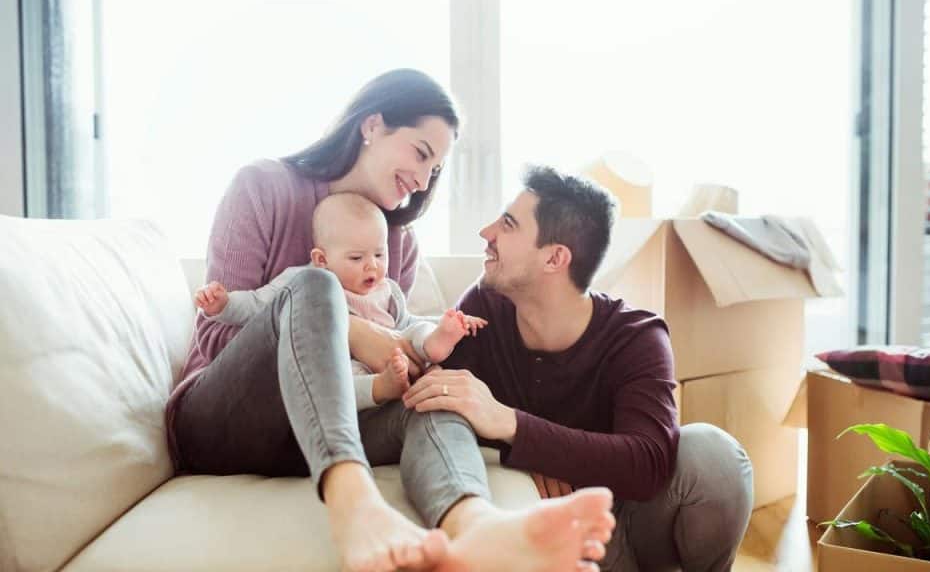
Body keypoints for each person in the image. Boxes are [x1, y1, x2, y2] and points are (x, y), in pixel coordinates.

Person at [165, 70, 616, 572]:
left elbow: (404, 349)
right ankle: (353, 503)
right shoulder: (264, 187)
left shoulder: (396, 242)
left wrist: (419, 355)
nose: (424, 181)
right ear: (372, 126)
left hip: (320, 430)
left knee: (434, 394)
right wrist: (356, 332)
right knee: (314, 284)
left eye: (436, 169)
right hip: (223, 421)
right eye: (421, 154)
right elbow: (217, 334)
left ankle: (476, 528)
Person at [402, 165, 756, 571]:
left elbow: (649, 460)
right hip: (532, 531)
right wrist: (534, 456)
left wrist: (513, 425)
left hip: (626, 531)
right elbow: (441, 408)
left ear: (555, 258)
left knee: (714, 454)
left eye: (508, 224)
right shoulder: (482, 309)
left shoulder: (637, 335)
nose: (487, 232)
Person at [193, 192, 487, 409]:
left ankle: (439, 341)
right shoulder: (303, 281)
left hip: (395, 349)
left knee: (413, 330)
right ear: (322, 259)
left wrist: (437, 328)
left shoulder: (387, 290)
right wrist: (224, 305)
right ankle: (380, 388)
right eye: (357, 258)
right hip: (346, 363)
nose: (371, 266)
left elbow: (404, 324)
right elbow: (258, 306)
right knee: (337, 378)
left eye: (379, 254)